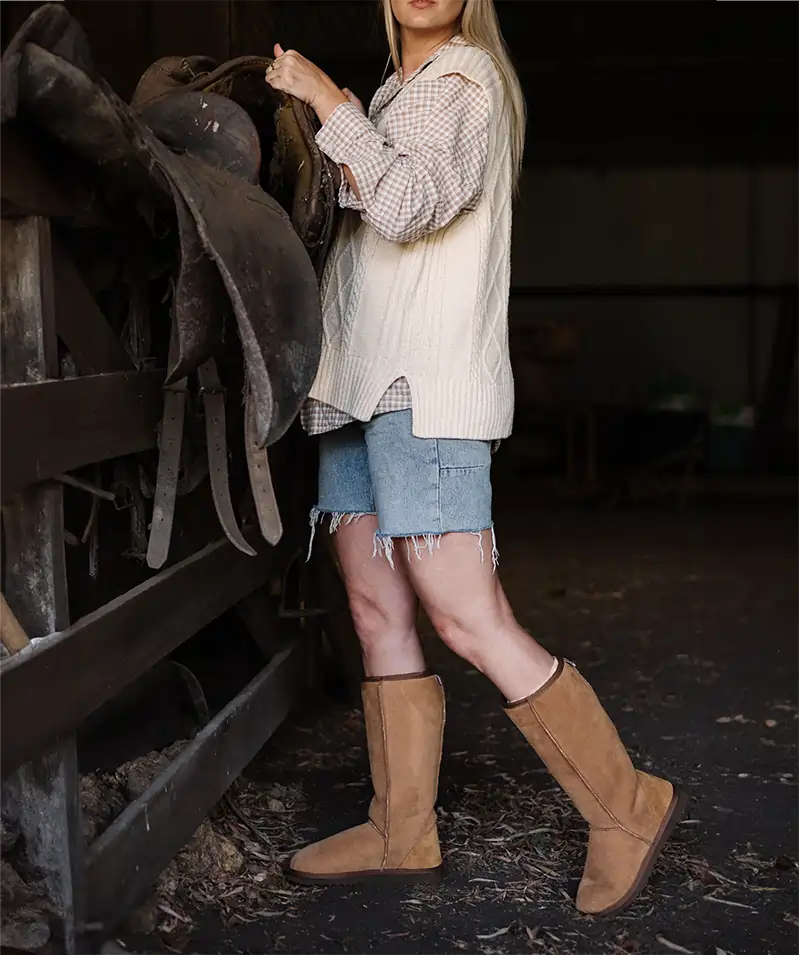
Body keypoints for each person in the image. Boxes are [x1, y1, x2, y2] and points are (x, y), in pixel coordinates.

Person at [265, 0, 688, 917]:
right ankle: (399, 826)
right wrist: (330, 127)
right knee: (376, 605)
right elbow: (359, 208)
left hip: (425, 387)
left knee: (464, 612)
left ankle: (625, 802)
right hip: (353, 384)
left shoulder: (465, 81)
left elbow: (413, 204)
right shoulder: (392, 91)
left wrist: (324, 98)